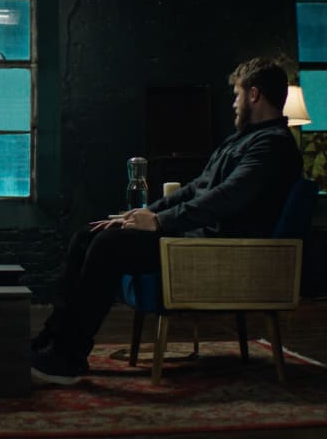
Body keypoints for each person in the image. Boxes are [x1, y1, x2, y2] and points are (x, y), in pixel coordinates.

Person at [31, 57, 303, 385]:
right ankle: (53, 339)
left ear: (254, 94)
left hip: (218, 252)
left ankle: (67, 357)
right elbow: (196, 188)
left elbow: (226, 198)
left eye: (237, 94)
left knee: (108, 245)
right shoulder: (243, 139)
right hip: (197, 242)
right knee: (86, 235)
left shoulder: (273, 145)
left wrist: (159, 222)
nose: (234, 103)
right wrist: (143, 214)